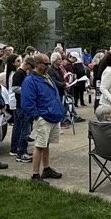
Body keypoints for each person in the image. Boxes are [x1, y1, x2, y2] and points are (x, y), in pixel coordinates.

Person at [22, 53, 64, 181]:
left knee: (46, 144)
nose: (47, 66)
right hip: (43, 116)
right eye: (45, 64)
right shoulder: (30, 80)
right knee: (39, 145)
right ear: (37, 64)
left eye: (48, 64)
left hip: (52, 115)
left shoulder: (46, 76)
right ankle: (35, 174)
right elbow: (27, 102)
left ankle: (46, 168)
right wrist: (37, 116)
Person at [9, 55, 33, 162]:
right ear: (27, 64)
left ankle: (20, 150)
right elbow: (14, 88)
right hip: (21, 106)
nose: (31, 69)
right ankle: (21, 152)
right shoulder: (19, 74)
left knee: (22, 128)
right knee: (25, 130)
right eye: (31, 66)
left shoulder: (23, 73)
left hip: (21, 105)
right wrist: (26, 90)